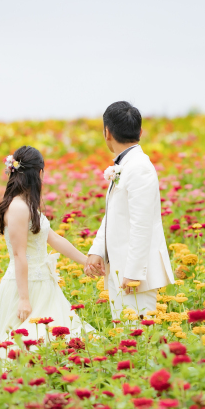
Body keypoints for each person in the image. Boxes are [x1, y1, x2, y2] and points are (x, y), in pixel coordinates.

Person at [0, 146, 92, 349]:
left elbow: (54, 238)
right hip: (25, 287)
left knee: (57, 342)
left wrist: (86, 261)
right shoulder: (18, 207)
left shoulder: (27, 204)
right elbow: (20, 255)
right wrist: (23, 299)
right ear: (39, 173)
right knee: (26, 347)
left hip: (44, 284)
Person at [84, 101, 175, 320]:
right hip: (119, 269)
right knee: (124, 336)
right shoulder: (126, 165)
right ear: (140, 131)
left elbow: (142, 225)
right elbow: (113, 215)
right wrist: (98, 250)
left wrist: (133, 274)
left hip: (135, 276)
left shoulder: (139, 167)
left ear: (107, 132)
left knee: (137, 339)